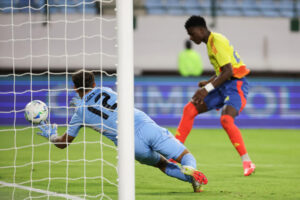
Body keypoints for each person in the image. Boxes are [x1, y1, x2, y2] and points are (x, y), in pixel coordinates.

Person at [36, 70, 208, 192]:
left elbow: (64, 143)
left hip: (129, 143)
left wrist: (52, 137)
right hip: (144, 125)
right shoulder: (107, 90)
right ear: (94, 83)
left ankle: (189, 178)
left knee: (162, 164)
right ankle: (190, 169)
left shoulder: (79, 114)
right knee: (185, 156)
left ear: (74, 88)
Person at [175, 16, 255, 176]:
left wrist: (206, 90)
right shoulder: (211, 43)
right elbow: (222, 71)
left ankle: (247, 161)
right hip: (223, 85)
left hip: (235, 85)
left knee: (226, 119)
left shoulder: (216, 41)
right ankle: (173, 151)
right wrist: (209, 82)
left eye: (192, 33)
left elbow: (229, 72)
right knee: (190, 109)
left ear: (201, 30)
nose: (191, 37)